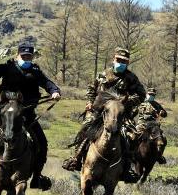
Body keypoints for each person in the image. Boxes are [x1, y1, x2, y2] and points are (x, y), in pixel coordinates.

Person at [0, 42, 61, 190]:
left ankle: (37, 176)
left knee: (42, 143)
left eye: (29, 56)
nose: (26, 59)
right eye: (24, 56)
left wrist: (54, 91)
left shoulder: (35, 71)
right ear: (17, 55)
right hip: (6, 111)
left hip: (27, 114)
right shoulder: (9, 67)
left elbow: (46, 82)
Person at [62, 47, 146, 179]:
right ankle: (76, 159)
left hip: (120, 114)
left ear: (128, 62)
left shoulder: (131, 78)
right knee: (86, 127)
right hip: (99, 111)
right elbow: (91, 88)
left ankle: (127, 167)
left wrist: (125, 102)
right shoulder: (103, 75)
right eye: (118, 60)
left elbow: (141, 94)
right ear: (113, 59)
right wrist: (90, 101)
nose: (120, 63)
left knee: (132, 135)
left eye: (124, 61)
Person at [135, 87, 168, 164]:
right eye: (150, 94)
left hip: (154, 127)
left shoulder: (156, 105)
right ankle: (131, 153)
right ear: (147, 94)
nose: (151, 96)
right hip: (142, 124)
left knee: (163, 138)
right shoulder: (141, 103)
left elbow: (165, 114)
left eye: (153, 95)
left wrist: (162, 113)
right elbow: (133, 111)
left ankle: (159, 156)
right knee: (134, 136)